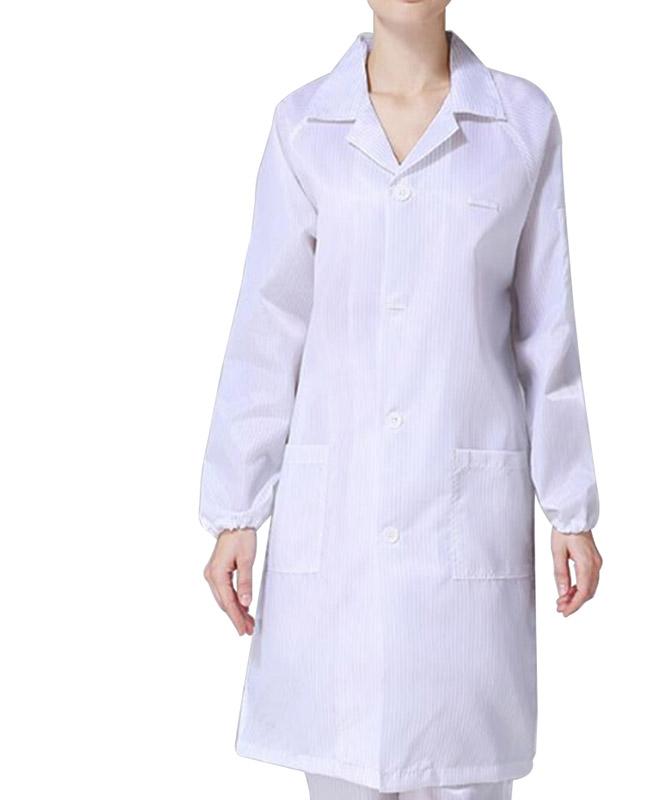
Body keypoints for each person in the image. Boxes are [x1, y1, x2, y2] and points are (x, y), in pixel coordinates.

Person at [199, 2, 603, 798]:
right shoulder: (304, 128)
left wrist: (571, 507)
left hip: (464, 527)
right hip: (338, 530)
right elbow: (270, 322)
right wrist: (236, 510)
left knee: (461, 763)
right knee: (343, 758)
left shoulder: (521, 122)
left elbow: (546, 326)